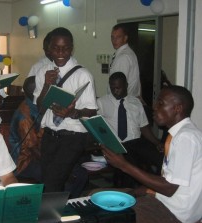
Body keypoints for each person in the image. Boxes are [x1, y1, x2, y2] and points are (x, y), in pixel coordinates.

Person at [101, 85, 202, 223]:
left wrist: (124, 165)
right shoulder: (181, 134)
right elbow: (169, 181)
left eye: (161, 103)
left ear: (178, 108)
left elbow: (169, 188)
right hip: (167, 203)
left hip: (174, 212)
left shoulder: (186, 138)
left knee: (111, 217)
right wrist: (138, 191)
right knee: (108, 198)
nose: (154, 107)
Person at [33, 27, 97, 193]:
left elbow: (91, 111)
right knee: (48, 180)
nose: (60, 52)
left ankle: (50, 216)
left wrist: (72, 113)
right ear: (49, 49)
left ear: (71, 48)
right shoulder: (42, 72)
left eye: (66, 48)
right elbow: (40, 107)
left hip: (73, 136)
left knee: (52, 182)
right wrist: (47, 85)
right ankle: (60, 213)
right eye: (56, 48)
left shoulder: (83, 75)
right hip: (50, 134)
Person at [9, 76, 43, 182]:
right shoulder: (24, 116)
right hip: (23, 161)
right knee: (54, 175)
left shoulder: (36, 105)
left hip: (36, 154)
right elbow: (31, 146)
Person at [109, 23, 141, 98]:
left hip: (122, 101)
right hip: (130, 99)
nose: (114, 40)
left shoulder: (123, 57)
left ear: (125, 38)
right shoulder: (129, 52)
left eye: (118, 37)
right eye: (112, 37)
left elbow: (118, 86)